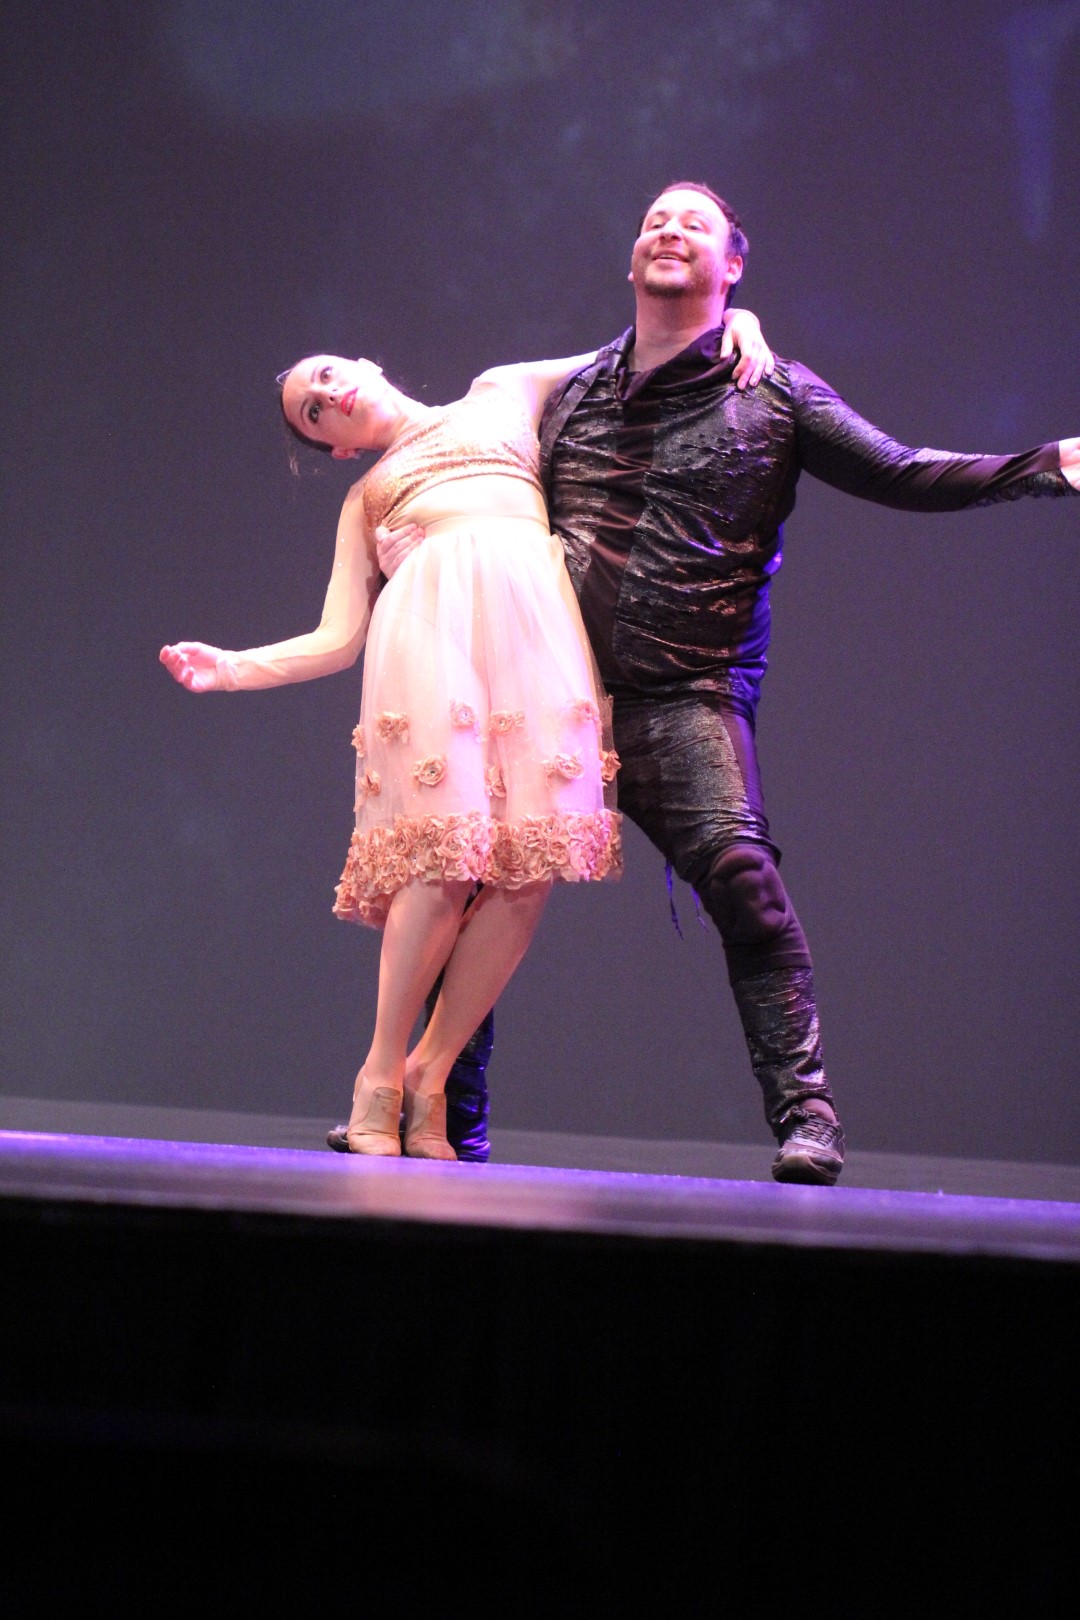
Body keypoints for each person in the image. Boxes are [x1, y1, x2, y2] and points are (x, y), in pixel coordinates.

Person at [375, 181, 1080, 1185]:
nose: (668, 229)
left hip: (682, 697)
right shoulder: (566, 393)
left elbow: (902, 471)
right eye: (654, 221)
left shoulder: (774, 391)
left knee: (745, 882)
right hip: (549, 692)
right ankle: (440, 1115)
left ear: (734, 265)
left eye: (694, 223)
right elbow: (465, 471)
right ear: (631, 260)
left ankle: (807, 1115)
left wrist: (1045, 463)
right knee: (463, 883)